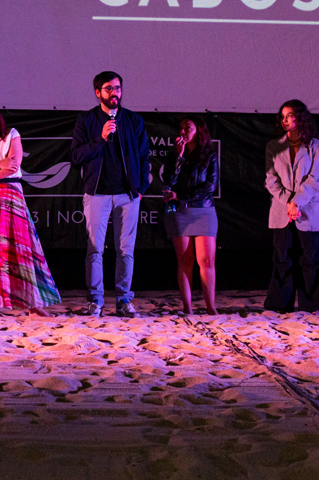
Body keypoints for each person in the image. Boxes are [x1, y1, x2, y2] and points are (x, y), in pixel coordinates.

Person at [0, 98, 61, 317]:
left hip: (10, 197)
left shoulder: (11, 135)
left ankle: (31, 305)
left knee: (21, 249)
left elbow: (13, 167)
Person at [70, 71, 151, 317]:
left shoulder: (133, 120)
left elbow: (144, 156)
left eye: (117, 88)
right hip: (97, 194)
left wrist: (140, 189)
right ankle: (95, 300)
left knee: (126, 250)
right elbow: (76, 156)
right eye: (109, 88)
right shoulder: (87, 121)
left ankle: (124, 300)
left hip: (127, 195)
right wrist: (101, 138)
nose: (114, 93)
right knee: (95, 250)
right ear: (98, 93)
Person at [264, 99, 319, 313]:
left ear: (300, 118)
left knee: (310, 258)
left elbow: (315, 180)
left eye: (289, 116)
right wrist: (288, 203)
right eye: (282, 116)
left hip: (307, 210)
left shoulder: (316, 146)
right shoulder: (273, 146)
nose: (285, 120)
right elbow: (271, 180)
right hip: (281, 210)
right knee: (282, 258)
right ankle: (280, 304)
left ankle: (313, 304)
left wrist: (296, 202)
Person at [162, 116, 219, 315]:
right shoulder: (174, 155)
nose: (183, 131)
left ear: (198, 131)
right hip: (178, 211)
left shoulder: (209, 155)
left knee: (206, 261)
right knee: (185, 261)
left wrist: (181, 195)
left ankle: (211, 307)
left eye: (188, 128)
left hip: (203, 209)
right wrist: (179, 156)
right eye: (181, 128)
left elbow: (210, 186)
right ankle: (187, 307)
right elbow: (168, 181)